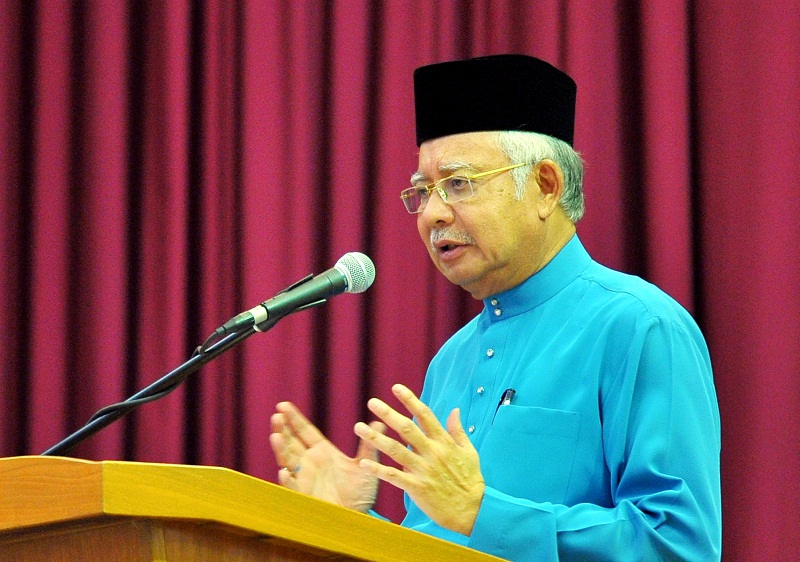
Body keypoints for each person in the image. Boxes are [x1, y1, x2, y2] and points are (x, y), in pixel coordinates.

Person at [270, 54, 721, 561]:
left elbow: (678, 545)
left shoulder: (640, 326)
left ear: (546, 187)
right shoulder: (452, 359)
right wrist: (354, 523)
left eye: (459, 184)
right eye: (423, 191)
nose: (434, 214)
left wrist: (483, 512)